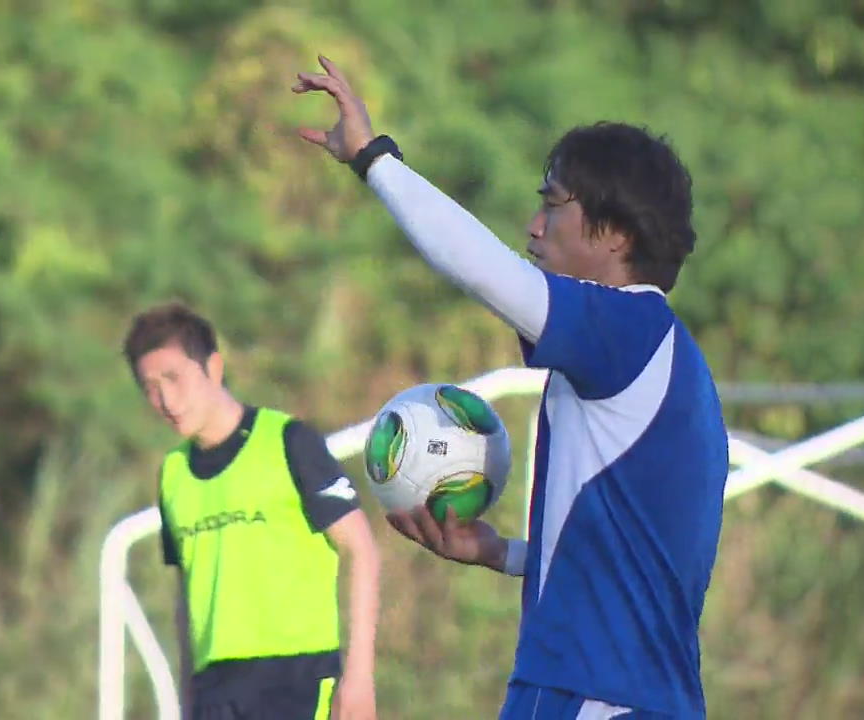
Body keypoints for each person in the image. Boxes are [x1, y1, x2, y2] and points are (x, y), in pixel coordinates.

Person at [293, 56, 729, 719]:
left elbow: (484, 270)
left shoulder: (628, 330)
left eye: (552, 205)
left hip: (596, 699)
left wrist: (373, 158)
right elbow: (637, 571)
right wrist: (506, 555)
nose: (534, 226)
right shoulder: (665, 363)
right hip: (603, 693)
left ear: (614, 236)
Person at [123, 302, 380, 720]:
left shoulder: (288, 441)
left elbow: (361, 550)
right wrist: (189, 701)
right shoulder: (173, 474)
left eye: (174, 378)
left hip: (298, 678)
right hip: (215, 692)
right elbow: (186, 596)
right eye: (150, 387)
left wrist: (359, 677)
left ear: (214, 367)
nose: (165, 399)